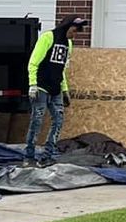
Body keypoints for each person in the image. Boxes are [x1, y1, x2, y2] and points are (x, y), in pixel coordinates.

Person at [25, 16, 86, 165]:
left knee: (58, 121)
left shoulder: (68, 44)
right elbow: (33, 62)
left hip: (55, 88)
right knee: (37, 121)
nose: (75, 33)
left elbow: (62, 69)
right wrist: (32, 84)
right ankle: (29, 156)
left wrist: (64, 90)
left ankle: (48, 155)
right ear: (67, 27)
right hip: (41, 87)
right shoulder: (48, 37)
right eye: (74, 29)